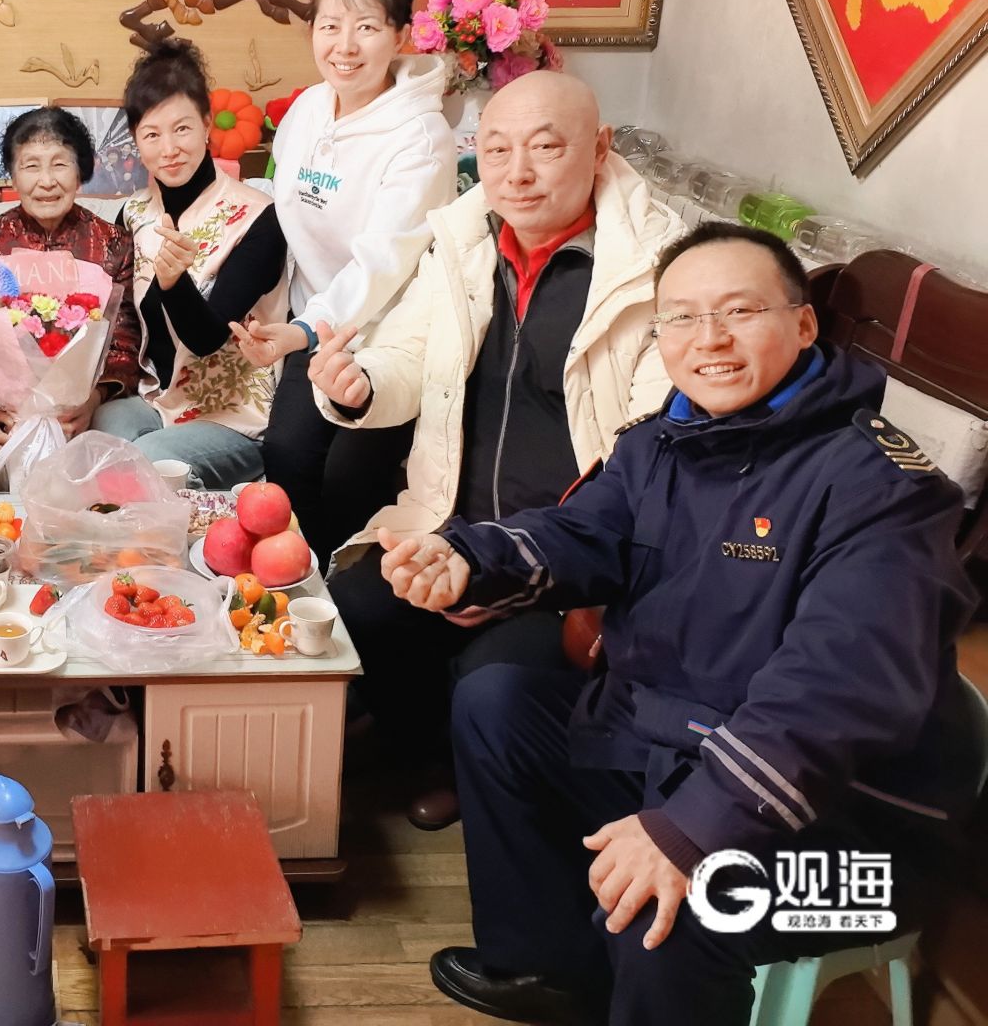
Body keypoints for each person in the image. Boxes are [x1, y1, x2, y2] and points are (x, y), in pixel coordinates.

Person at [374, 223, 981, 1026]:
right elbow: (583, 531)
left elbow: (837, 691)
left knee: (679, 907)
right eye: (683, 317)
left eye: (740, 311)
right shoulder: (667, 438)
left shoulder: (883, 489)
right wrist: (469, 557)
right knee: (499, 703)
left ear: (803, 324)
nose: (710, 339)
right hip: (686, 751)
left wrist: (692, 829)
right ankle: (552, 972)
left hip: (860, 837)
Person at [312, 71, 680, 829]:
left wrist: (504, 568)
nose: (517, 173)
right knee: (357, 604)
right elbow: (407, 357)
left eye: (546, 148)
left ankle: (466, 765)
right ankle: (423, 749)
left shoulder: (656, 267)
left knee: (498, 675)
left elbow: (644, 451)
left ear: (600, 148)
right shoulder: (464, 238)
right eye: (497, 149)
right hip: (446, 519)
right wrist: (360, 384)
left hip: (565, 558)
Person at [233, 0, 457, 556]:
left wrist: (303, 330)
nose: (345, 46)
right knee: (287, 456)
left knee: (351, 480)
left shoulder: (421, 138)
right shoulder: (308, 108)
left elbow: (384, 261)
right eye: (330, 25)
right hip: (314, 323)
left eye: (367, 27)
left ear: (400, 35)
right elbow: (285, 210)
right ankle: (299, 586)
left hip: (389, 335)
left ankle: (347, 592)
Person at [93, 39, 288, 488]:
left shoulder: (258, 217)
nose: (169, 149)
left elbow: (207, 339)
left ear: (206, 125)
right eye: (152, 135)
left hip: (234, 416)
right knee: (100, 439)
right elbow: (123, 322)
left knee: (148, 462)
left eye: (181, 129)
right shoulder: (134, 213)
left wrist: (173, 281)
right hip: (158, 399)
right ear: (136, 141)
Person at [0, 107, 143, 449]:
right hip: (6, 410)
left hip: (84, 408)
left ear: (80, 173)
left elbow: (125, 341)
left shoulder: (114, 243)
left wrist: (96, 397)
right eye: (31, 166)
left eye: (60, 164)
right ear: (13, 177)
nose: (46, 181)